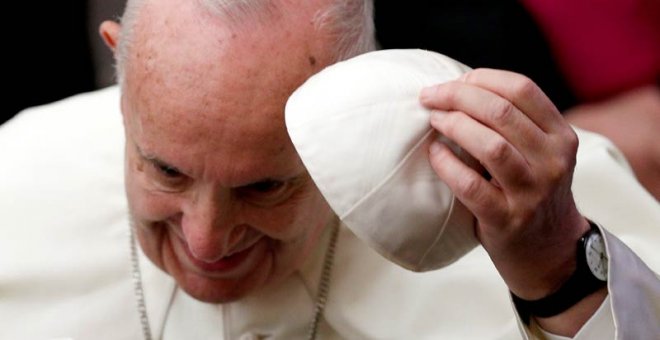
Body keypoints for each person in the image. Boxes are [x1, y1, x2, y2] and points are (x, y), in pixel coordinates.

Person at [0, 0, 658, 339]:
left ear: (358, 90)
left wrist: (558, 280)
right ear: (121, 68)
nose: (206, 242)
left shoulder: (533, 210)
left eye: (264, 186)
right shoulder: (18, 180)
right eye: (166, 172)